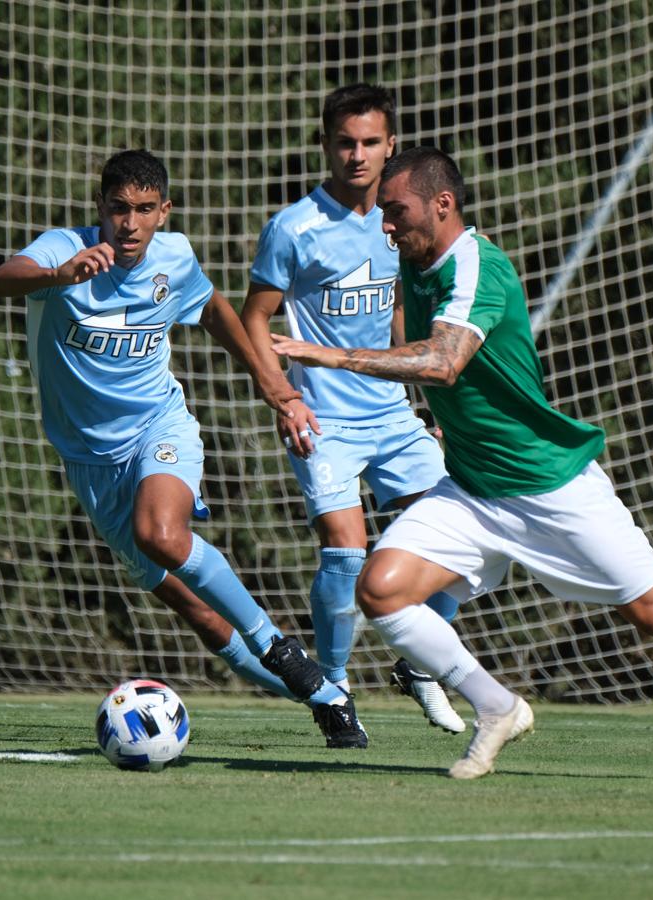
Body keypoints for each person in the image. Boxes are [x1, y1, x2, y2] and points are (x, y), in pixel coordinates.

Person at [270, 146, 653, 785]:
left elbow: (443, 361)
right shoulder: (414, 265)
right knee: (380, 588)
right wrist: (447, 420)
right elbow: (443, 366)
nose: (386, 225)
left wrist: (333, 356)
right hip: (475, 492)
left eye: (397, 211)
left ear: (443, 204)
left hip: (552, 487)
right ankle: (495, 705)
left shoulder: (479, 266)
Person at [0, 148, 364, 745]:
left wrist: (266, 377)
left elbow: (212, 309)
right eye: (116, 209)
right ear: (100, 208)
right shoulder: (63, 249)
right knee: (202, 614)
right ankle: (324, 694)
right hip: (89, 462)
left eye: (142, 210)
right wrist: (60, 276)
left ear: (164, 211)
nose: (128, 224)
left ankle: (276, 645)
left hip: (160, 427)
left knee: (159, 533)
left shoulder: (174, 256)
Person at [241, 84, 465, 740]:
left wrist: (434, 403)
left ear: (391, 145)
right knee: (346, 549)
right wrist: (282, 396)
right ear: (325, 146)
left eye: (371, 142)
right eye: (345, 142)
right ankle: (333, 690)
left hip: (394, 415)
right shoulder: (293, 227)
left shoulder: (400, 217)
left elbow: (400, 314)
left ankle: (421, 664)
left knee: (462, 531)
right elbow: (255, 319)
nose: (358, 154)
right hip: (324, 421)